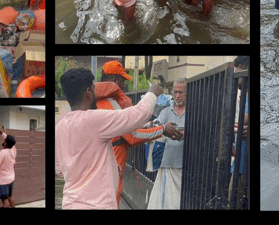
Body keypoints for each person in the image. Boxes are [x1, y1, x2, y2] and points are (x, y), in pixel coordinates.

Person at [55, 68, 163, 209]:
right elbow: (137, 115)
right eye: (94, 89)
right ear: (88, 92)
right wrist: (152, 93)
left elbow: (60, 170)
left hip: (70, 203)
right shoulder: (93, 119)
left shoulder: (59, 127)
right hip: (98, 205)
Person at [96, 62, 181, 207]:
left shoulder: (99, 102)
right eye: (122, 81)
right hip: (112, 165)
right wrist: (162, 130)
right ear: (114, 80)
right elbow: (133, 135)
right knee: (109, 202)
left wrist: (149, 126)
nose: (123, 86)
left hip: (106, 166)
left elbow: (126, 129)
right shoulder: (110, 104)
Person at [147, 78, 187, 209]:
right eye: (175, 92)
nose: (177, 96)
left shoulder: (194, 112)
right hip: (168, 164)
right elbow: (155, 126)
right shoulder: (165, 112)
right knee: (167, 204)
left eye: (181, 92)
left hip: (187, 167)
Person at [0, 130, 17, 208]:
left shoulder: (3, 152)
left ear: (6, 144)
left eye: (5, 141)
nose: (3, 141)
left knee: (5, 202)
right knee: (10, 197)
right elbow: (9, 141)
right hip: (11, 179)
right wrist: (2, 133)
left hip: (3, 181)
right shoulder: (13, 149)